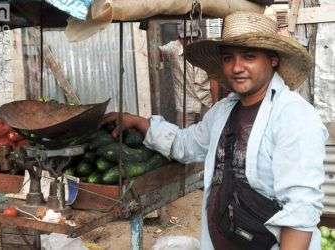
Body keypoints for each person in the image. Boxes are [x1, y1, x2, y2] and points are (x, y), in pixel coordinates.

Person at [102, 12, 328, 250]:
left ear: (272, 59)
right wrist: (139, 122)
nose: (237, 67)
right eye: (228, 58)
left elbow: (301, 208)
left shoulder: (293, 116)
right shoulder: (223, 111)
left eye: (249, 56)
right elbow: (186, 144)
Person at [159, 22, 221, 127]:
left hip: (206, 101)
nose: (190, 41)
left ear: (198, 36)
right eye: (186, 38)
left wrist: (215, 104)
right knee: (184, 135)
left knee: (207, 132)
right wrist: (159, 58)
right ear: (179, 37)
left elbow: (213, 78)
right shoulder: (173, 48)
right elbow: (158, 51)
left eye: (194, 38)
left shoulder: (205, 50)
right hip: (185, 104)